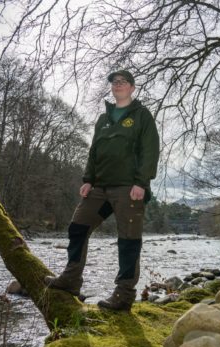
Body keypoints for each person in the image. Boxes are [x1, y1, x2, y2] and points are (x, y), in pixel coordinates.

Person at [45, 70, 159, 311]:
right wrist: (88, 179)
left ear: (132, 88)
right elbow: (94, 151)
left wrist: (141, 183)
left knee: (128, 240)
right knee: (77, 227)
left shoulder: (142, 116)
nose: (118, 85)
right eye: (114, 83)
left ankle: (124, 294)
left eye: (123, 82)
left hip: (128, 188)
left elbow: (150, 150)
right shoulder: (103, 119)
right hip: (99, 187)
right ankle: (71, 279)